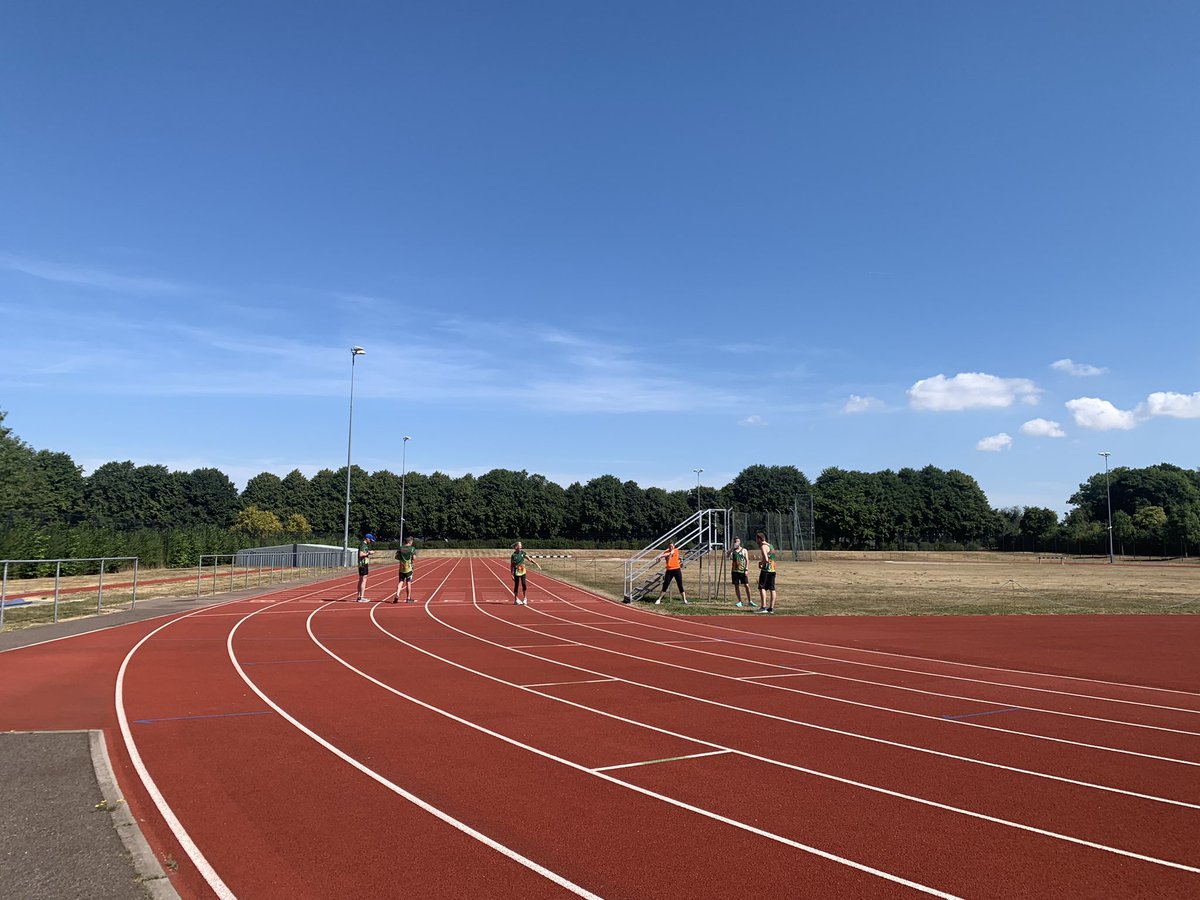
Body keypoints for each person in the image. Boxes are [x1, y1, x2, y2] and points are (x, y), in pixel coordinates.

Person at [728, 536, 756, 609]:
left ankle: (750, 601)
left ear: (740, 542)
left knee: (746, 585)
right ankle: (740, 601)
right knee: (736, 586)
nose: (736, 543)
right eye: (735, 541)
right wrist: (731, 549)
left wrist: (746, 569)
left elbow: (747, 560)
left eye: (737, 541)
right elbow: (727, 556)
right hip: (734, 571)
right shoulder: (733, 551)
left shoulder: (744, 550)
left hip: (742, 570)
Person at [755, 531, 777, 613]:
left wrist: (761, 563)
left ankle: (763, 607)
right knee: (772, 588)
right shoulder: (770, 546)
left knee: (762, 587)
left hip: (766, 570)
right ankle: (771, 608)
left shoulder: (763, 546)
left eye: (757, 539)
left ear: (760, 539)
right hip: (773, 569)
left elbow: (766, 559)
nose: (756, 541)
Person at [392, 535, 416, 603]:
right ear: (409, 541)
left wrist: (401, 559)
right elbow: (414, 558)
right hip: (408, 568)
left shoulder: (400, 548)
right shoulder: (412, 548)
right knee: (408, 582)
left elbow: (396, 557)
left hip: (401, 568)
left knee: (401, 581)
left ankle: (397, 594)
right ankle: (408, 598)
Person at [355, 533, 376, 602]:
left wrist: (368, 552)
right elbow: (361, 554)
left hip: (362, 564)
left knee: (361, 579)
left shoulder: (363, 545)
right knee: (363, 580)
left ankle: (359, 596)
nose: (371, 542)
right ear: (367, 538)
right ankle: (361, 597)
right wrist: (369, 553)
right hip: (363, 564)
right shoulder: (363, 545)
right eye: (370, 540)